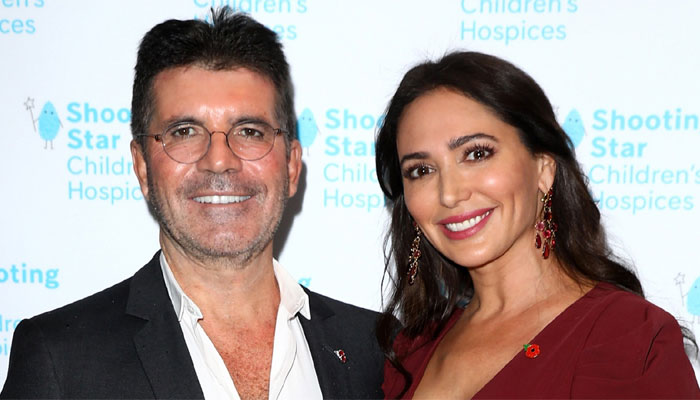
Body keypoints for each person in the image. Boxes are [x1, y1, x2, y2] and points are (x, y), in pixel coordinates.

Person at [1, 8, 383, 400]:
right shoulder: (62, 361)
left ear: (291, 165)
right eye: (185, 132)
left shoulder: (378, 350)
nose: (219, 160)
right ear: (142, 167)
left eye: (249, 131)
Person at [374, 51, 700, 399]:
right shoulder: (411, 351)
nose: (449, 194)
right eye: (421, 170)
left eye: (477, 154)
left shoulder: (626, 336)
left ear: (543, 168)